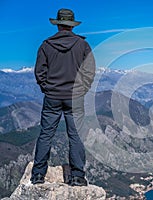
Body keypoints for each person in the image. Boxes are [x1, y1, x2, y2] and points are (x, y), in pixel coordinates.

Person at [31, 8, 96, 186]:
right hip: (74, 98)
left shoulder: (46, 45)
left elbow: (39, 72)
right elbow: (89, 71)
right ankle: (77, 176)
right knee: (75, 135)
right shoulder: (82, 45)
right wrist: (82, 89)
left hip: (52, 97)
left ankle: (38, 175)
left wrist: (47, 88)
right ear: (72, 25)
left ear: (58, 24)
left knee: (45, 135)